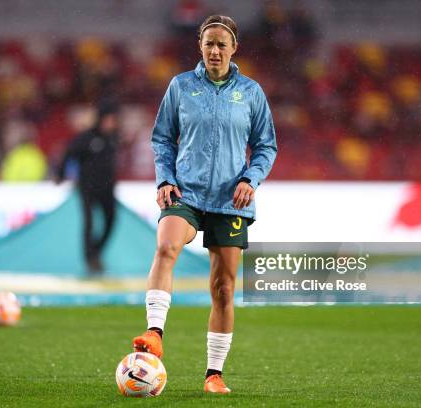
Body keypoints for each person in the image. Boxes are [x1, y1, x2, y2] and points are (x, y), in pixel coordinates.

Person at [131, 15, 277, 394]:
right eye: (209, 43)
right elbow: (162, 139)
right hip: (186, 192)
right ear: (200, 46)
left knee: (224, 288)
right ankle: (154, 332)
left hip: (231, 200)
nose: (215, 50)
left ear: (234, 48)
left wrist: (251, 179)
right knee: (165, 247)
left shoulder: (250, 92)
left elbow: (266, 146)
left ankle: (214, 374)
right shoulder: (180, 87)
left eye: (221, 44)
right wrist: (165, 179)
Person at [56, 102, 120, 275]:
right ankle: (90, 258)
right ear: (102, 119)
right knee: (89, 222)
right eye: (109, 119)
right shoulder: (87, 138)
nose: (112, 123)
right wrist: (60, 174)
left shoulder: (113, 138)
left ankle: (96, 252)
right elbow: (69, 153)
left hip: (107, 189)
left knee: (111, 220)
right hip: (88, 188)